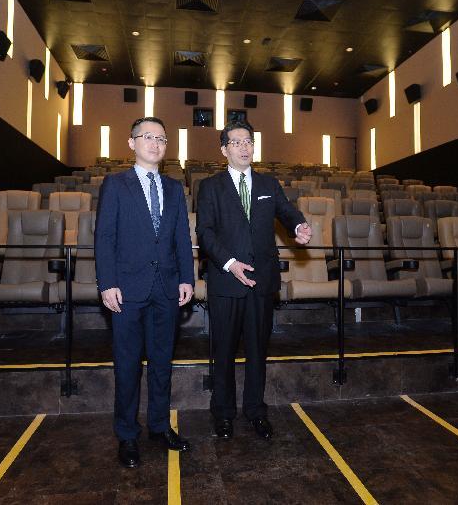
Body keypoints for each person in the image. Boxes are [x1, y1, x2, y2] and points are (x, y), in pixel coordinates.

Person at [196, 121, 312, 440]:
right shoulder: (210, 187)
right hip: (226, 281)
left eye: (248, 141)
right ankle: (222, 413)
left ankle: (256, 411)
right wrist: (230, 263)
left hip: (261, 281)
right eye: (237, 143)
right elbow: (204, 233)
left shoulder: (268, 184)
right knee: (223, 351)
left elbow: (287, 213)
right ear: (224, 150)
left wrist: (299, 226)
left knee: (258, 350)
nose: (244, 147)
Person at [94, 117, 194, 468]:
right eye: (148, 137)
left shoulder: (173, 188)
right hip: (126, 290)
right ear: (132, 142)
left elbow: (182, 236)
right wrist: (106, 282)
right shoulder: (115, 184)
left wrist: (187, 278)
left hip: (166, 288)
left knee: (162, 364)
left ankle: (158, 426)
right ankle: (126, 435)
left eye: (161, 138)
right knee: (127, 366)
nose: (155, 143)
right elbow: (104, 237)